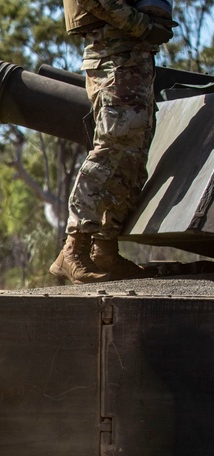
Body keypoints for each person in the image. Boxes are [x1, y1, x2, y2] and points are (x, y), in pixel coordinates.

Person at [51, 0, 176, 283]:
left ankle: (104, 249)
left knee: (131, 157)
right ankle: (73, 248)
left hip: (133, 56)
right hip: (114, 55)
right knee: (112, 148)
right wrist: (143, 25)